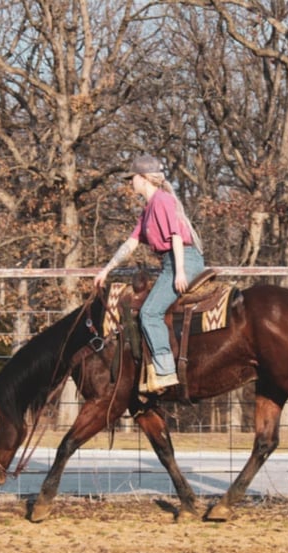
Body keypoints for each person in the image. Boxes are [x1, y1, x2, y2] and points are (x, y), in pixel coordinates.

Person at [94, 155, 205, 392]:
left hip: (181, 259)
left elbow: (175, 235)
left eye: (132, 177)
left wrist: (180, 271)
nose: (130, 182)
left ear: (143, 178)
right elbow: (131, 244)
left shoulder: (162, 200)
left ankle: (165, 372)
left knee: (150, 312)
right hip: (171, 261)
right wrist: (106, 270)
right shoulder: (147, 210)